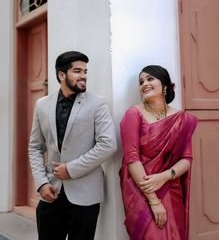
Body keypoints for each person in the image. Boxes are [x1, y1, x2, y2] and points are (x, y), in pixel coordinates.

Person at [29, 50, 117, 240]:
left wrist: (71, 169)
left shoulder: (97, 103)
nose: (83, 76)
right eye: (77, 71)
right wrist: (41, 182)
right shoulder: (42, 105)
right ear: (62, 75)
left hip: (85, 195)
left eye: (85, 71)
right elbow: (35, 147)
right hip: (51, 192)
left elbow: (108, 144)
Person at [119, 65, 198, 240]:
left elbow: (187, 159)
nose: (144, 84)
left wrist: (164, 177)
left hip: (170, 189)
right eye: (141, 81)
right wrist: (154, 201)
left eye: (150, 79)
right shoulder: (134, 114)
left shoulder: (181, 119)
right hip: (141, 190)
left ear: (165, 86)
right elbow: (132, 159)